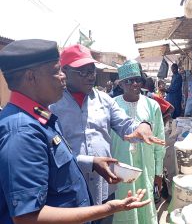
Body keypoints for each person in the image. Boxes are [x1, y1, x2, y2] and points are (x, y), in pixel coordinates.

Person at [0, 39, 150, 224]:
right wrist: (106, 209)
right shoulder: (22, 132)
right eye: (56, 71)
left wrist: (93, 162)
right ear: (31, 77)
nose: (61, 76)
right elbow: (27, 218)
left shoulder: (40, 116)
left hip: (96, 195)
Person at [49, 44, 164, 223]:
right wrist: (90, 163)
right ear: (65, 71)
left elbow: (126, 125)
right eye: (83, 72)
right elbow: (51, 151)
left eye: (92, 70)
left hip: (104, 188)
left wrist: (142, 126)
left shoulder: (104, 100)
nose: (91, 77)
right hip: (70, 190)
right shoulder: (52, 104)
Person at [110, 60, 166, 224]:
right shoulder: (112, 105)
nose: (134, 84)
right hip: (120, 169)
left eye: (138, 80)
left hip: (145, 167)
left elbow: (159, 141)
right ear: (121, 84)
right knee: (123, 206)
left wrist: (159, 172)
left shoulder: (152, 105)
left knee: (145, 203)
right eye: (129, 80)